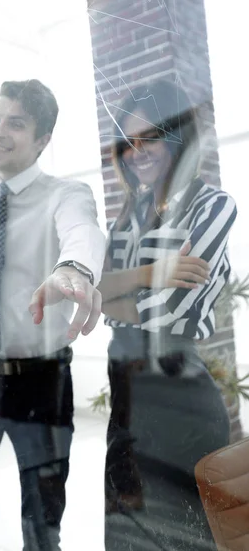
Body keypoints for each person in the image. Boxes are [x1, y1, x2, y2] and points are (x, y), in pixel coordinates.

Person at [0, 79, 106, 551]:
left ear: (42, 140)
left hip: (41, 381)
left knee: (42, 519)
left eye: (16, 123)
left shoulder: (65, 194)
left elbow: (82, 232)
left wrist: (72, 269)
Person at [98, 79, 237, 550]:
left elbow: (168, 312)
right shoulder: (124, 218)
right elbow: (96, 299)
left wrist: (115, 288)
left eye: (151, 137)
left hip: (181, 403)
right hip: (127, 404)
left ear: (177, 137)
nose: (138, 152)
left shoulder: (213, 206)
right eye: (129, 141)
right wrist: (151, 273)